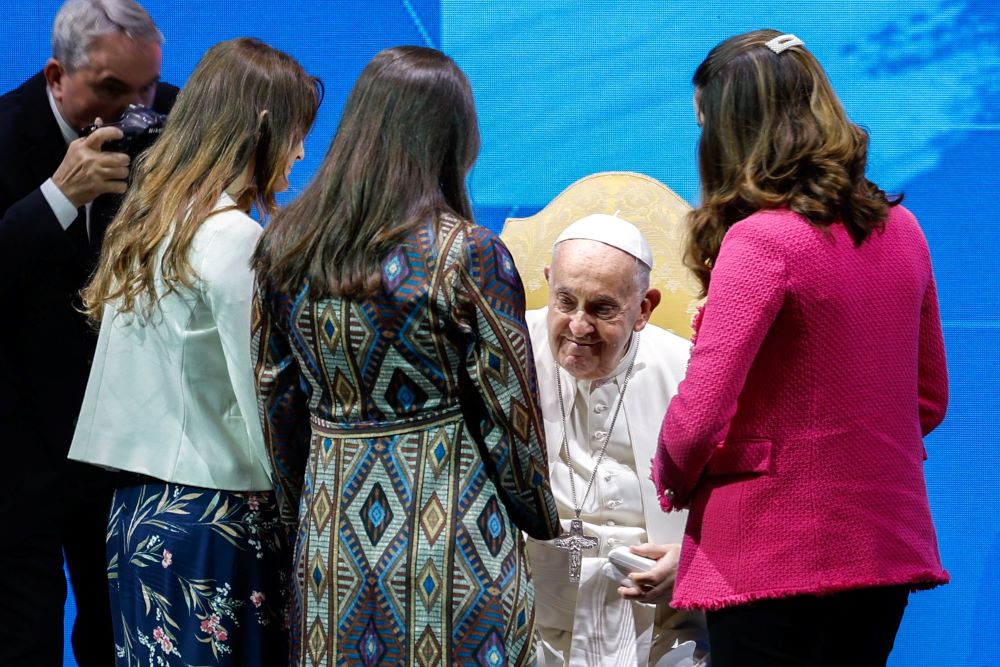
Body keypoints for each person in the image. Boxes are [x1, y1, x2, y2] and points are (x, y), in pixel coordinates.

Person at [251, 45, 560, 666]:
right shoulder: (470, 254)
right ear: (453, 138)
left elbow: (275, 400)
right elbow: (511, 420)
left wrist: (297, 515)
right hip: (455, 544)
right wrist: (540, 516)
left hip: (330, 540)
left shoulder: (284, 248)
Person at [652, 29, 949, 667]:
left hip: (768, 549)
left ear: (732, 134)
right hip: (884, 547)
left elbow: (699, 417)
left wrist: (672, 479)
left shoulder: (760, 241)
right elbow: (928, 399)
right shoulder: (906, 230)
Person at [66, 37, 320, 666]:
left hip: (137, 520)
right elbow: (263, 394)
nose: (300, 152)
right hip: (215, 526)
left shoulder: (150, 223)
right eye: (295, 132)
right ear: (261, 128)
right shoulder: (234, 236)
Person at [0, 1, 177, 665]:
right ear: (56, 76)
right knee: (25, 640)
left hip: (123, 449)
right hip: (18, 452)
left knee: (118, 640)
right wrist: (56, 198)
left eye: (147, 88)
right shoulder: (5, 131)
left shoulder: (173, 123)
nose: (134, 110)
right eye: (110, 89)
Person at [524, 213, 708, 667]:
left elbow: (741, 502)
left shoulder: (691, 371)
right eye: (565, 301)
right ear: (549, 283)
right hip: (532, 625)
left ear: (644, 308)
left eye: (602, 309)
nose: (579, 327)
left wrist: (693, 560)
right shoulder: (508, 351)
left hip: (666, 631)